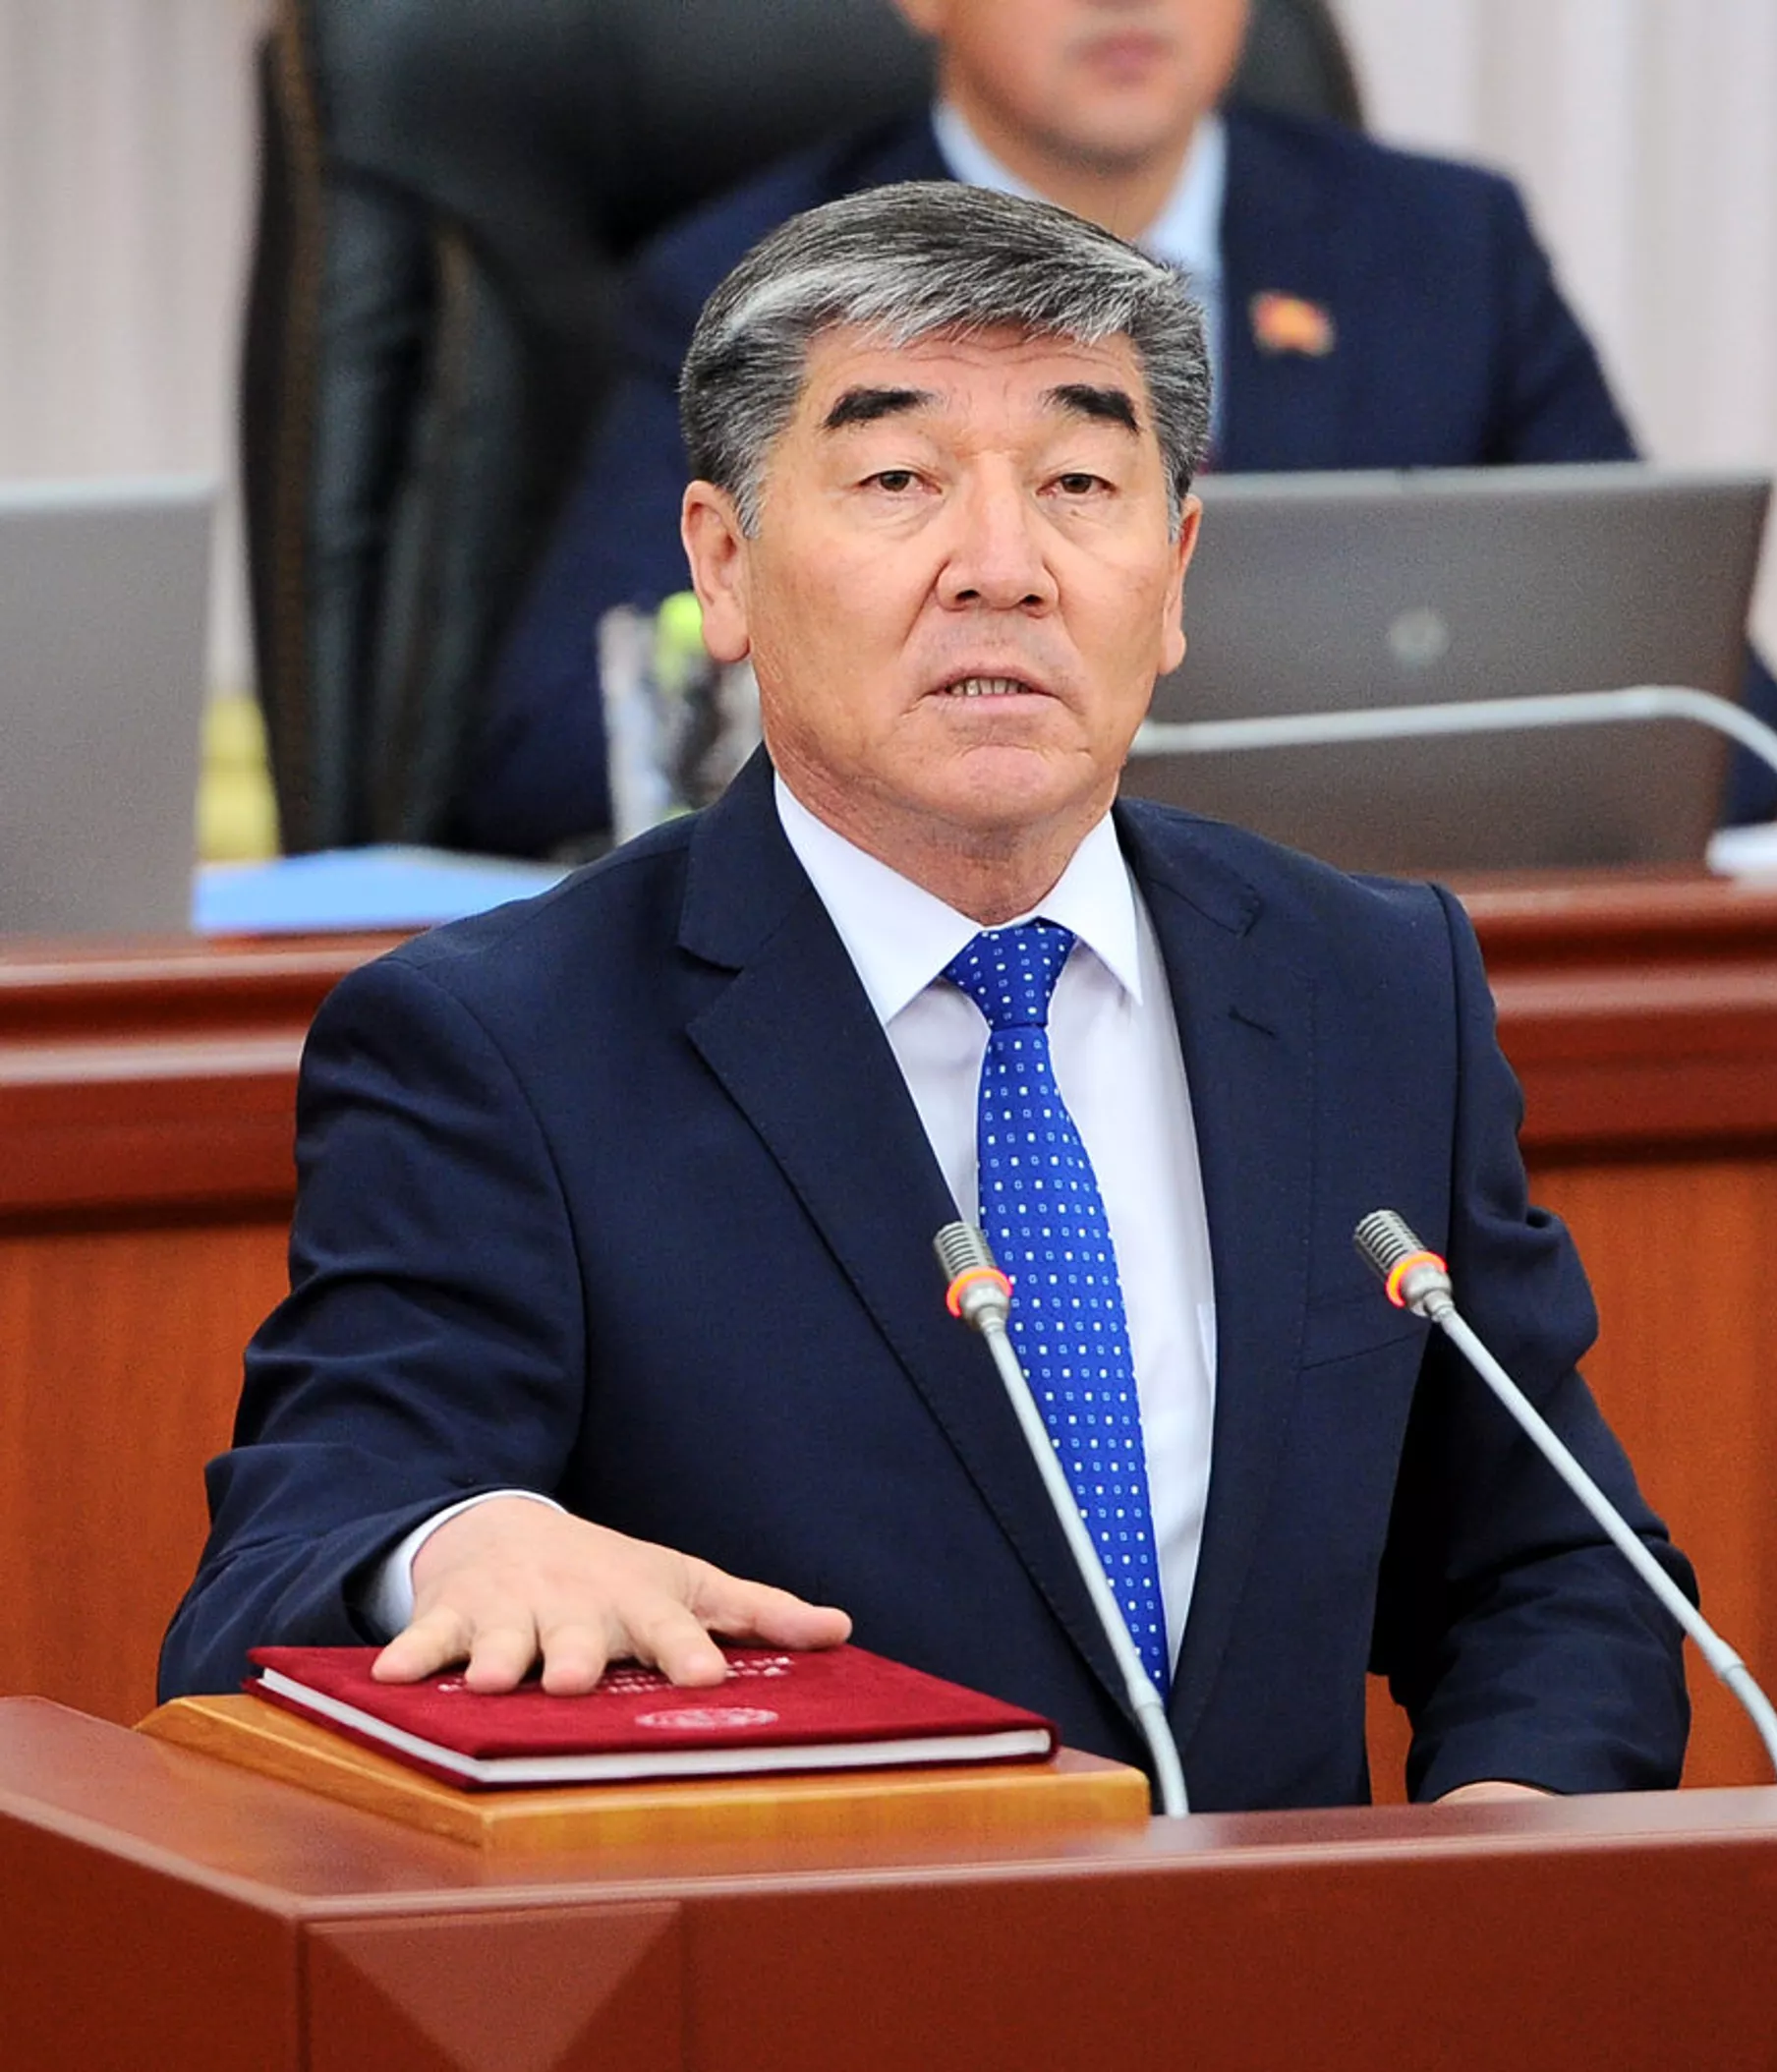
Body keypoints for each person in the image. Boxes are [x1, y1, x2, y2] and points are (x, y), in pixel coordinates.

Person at [161, 181, 1691, 1813]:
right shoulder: (503, 1045)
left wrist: (1503, 1856)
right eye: (899, 479)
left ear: (1175, 571)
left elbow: (1554, 1569)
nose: (1004, 567)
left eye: (1080, 484)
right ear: (725, 566)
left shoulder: (1368, 986)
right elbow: (280, 1570)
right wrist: (459, 1538)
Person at [454, 0, 1777, 858]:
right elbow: (560, 751)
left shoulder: (1443, 250)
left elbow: (1719, 735)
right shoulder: (753, 283)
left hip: (1356, 971)